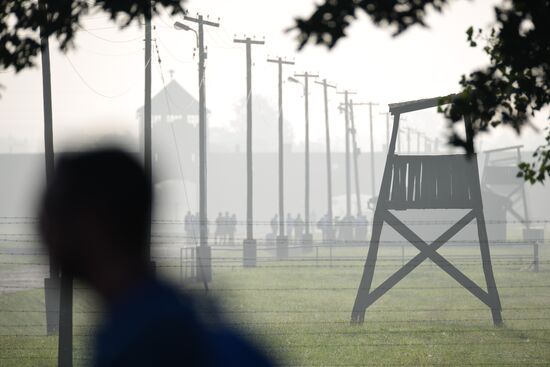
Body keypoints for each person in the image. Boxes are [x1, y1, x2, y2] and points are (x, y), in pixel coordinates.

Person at [38, 148, 272, 367]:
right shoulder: (172, 323)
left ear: (94, 224)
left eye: (54, 212)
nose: (43, 229)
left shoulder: (144, 346)